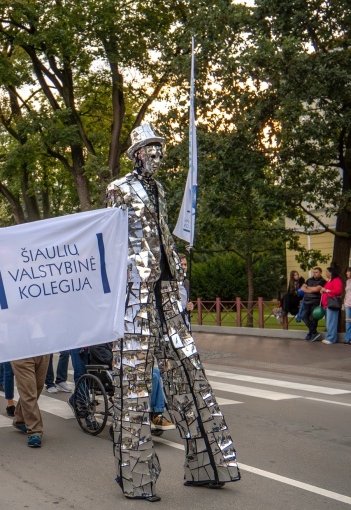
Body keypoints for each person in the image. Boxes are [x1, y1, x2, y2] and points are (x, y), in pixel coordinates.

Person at [106, 124, 240, 500]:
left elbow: (161, 230)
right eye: (151, 149)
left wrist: (175, 266)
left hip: (166, 290)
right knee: (133, 384)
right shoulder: (119, 188)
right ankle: (135, 479)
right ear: (137, 153)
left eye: (160, 149)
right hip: (135, 294)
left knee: (189, 372)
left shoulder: (161, 189)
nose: (157, 156)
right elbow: (110, 237)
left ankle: (208, 464)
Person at [10, 355, 48, 448]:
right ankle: (35, 430)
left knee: (37, 387)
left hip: (42, 352)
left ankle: (20, 419)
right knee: (29, 392)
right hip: (22, 353)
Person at [301, 267, 326, 342]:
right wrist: (311, 290)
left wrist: (308, 288)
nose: (314, 274)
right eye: (313, 272)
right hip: (307, 301)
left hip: (316, 301)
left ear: (320, 272)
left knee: (314, 318)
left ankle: (311, 333)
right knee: (303, 316)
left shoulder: (322, 281)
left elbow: (316, 289)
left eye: (316, 272)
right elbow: (302, 288)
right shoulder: (309, 280)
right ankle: (313, 332)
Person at [321, 266, 342, 345]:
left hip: (332, 303)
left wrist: (326, 290)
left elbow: (338, 291)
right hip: (327, 304)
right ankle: (329, 337)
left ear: (331, 273)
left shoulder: (336, 280)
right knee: (329, 322)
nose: (325, 273)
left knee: (331, 322)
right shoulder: (330, 281)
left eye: (327, 272)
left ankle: (331, 338)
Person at [344, 268, 351, 345]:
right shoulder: (347, 281)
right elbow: (347, 293)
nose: (347, 273)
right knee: (348, 322)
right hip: (348, 304)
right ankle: (347, 339)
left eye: (348, 272)